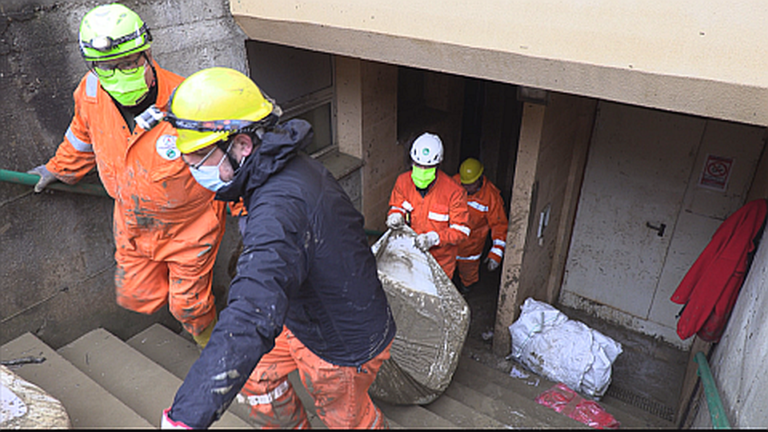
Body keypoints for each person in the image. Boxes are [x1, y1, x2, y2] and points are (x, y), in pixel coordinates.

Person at [159, 67, 396, 429]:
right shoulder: (283, 165)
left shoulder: (279, 207)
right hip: (308, 315)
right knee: (255, 378)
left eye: (200, 158)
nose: (192, 169)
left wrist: (187, 417)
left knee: (346, 419)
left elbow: (253, 309)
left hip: (340, 344)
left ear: (241, 144)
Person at [26, 3, 226, 348]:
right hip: (132, 220)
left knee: (187, 304)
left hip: (190, 227)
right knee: (138, 295)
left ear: (147, 53)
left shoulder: (186, 103)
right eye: (108, 66)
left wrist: (248, 208)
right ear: (94, 66)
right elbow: (82, 138)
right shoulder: (89, 93)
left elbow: (226, 167)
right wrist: (57, 169)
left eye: (130, 62)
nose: (121, 72)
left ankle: (212, 344)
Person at [386, 133, 471, 279]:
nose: (422, 171)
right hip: (410, 257)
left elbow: (462, 231)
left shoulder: (454, 192)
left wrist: (435, 238)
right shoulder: (403, 182)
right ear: (411, 162)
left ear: (437, 166)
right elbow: (397, 206)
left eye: (428, 167)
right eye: (418, 165)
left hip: (440, 264)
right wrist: (395, 215)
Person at [452, 158, 509, 294]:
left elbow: (499, 226)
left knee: (468, 277)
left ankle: (466, 293)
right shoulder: (454, 183)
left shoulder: (491, 197)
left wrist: (496, 254)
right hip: (450, 244)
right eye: (464, 184)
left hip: (470, 249)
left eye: (470, 185)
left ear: (480, 178)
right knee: (443, 274)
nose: (466, 188)